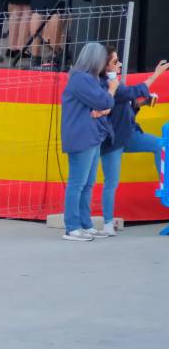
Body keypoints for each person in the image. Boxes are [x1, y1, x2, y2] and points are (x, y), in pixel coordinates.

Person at [96, 51, 169, 236]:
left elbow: (126, 107)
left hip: (129, 135)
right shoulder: (107, 85)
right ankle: (107, 223)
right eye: (115, 61)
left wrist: (140, 104)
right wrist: (155, 75)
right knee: (111, 182)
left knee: (161, 145)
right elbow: (132, 92)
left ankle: (164, 186)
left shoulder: (115, 84)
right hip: (113, 141)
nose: (119, 64)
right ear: (106, 67)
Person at [59, 43, 116, 242]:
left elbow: (103, 105)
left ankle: (85, 224)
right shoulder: (81, 79)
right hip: (81, 137)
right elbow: (105, 102)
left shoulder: (89, 79)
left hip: (92, 136)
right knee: (77, 183)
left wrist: (102, 105)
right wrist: (111, 91)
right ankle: (72, 227)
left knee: (88, 184)